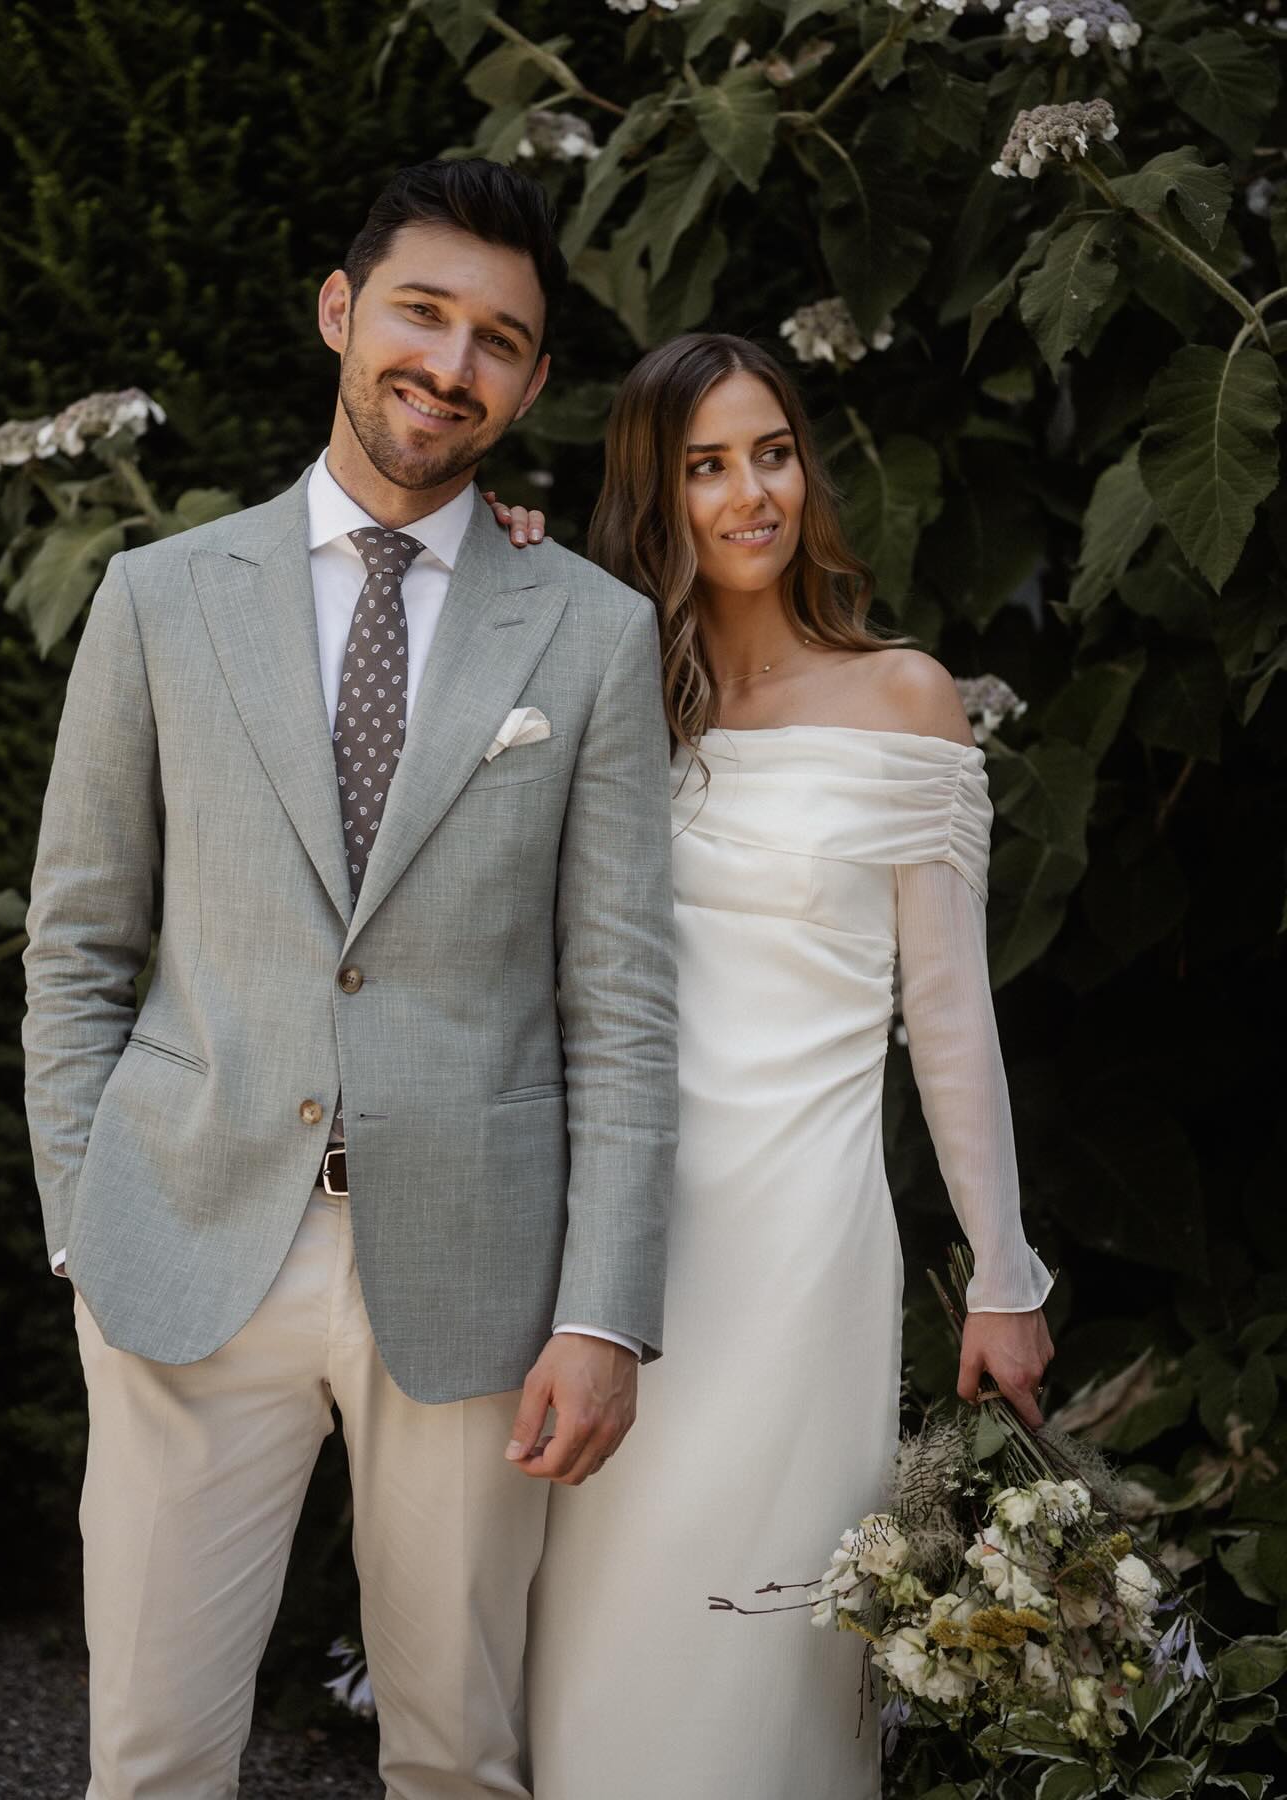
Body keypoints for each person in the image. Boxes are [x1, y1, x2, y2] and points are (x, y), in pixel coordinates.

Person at [20, 158, 678, 1800]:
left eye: (499, 341)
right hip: (182, 1244)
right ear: (340, 311)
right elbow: (81, 942)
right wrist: (84, 1223)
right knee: (155, 1754)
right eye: (422, 313)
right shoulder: (160, 598)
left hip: (473, 1280)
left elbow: (621, 1001)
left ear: (531, 383)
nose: (450, 365)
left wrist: (605, 1308)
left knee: (461, 1756)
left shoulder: (587, 635)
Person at [487, 332, 1055, 1799]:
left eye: (773, 453)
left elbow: (951, 1020)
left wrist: (1004, 1274)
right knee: (601, 1647)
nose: (752, 494)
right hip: (612, 1250)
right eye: (705, 466)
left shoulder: (906, 700)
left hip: (801, 1249)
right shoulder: (613, 689)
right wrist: (498, 580)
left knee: (769, 1659)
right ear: (654, 493)